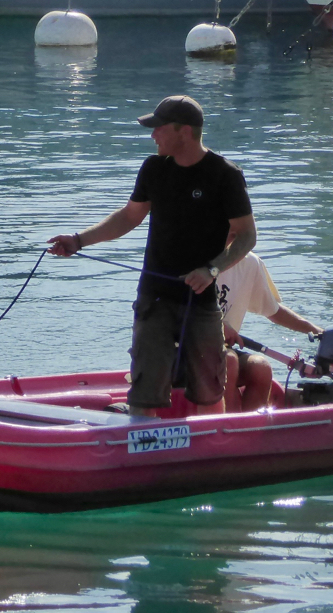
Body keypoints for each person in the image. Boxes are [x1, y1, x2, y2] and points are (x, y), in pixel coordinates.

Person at [47, 95, 256, 416]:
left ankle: (211, 446)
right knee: (144, 395)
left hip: (201, 303)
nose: (153, 135)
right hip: (154, 300)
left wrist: (212, 270)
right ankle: (143, 443)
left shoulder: (224, 174)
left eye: (159, 128)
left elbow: (247, 236)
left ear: (184, 131)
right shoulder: (153, 169)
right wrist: (78, 241)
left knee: (209, 393)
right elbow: (128, 217)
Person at [216, 252, 322, 410]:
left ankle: (252, 425)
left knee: (261, 368)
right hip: (188, 347)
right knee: (229, 362)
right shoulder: (196, 258)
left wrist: (318, 332)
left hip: (223, 348)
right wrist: (219, 326)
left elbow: (273, 310)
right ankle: (227, 423)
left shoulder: (251, 263)